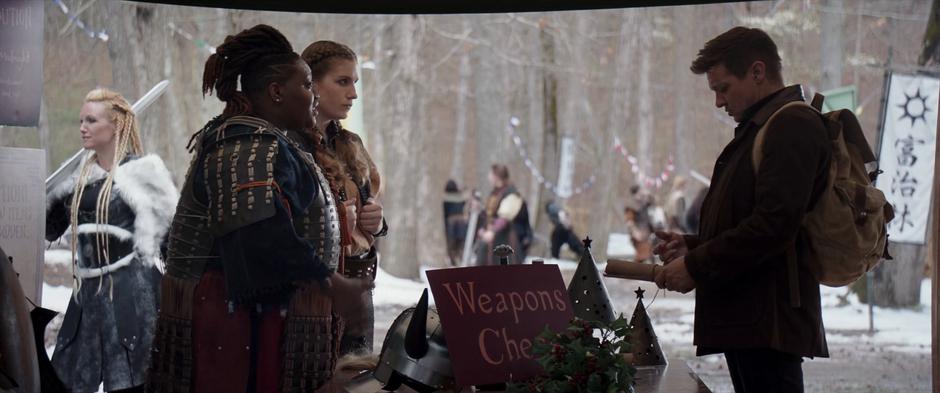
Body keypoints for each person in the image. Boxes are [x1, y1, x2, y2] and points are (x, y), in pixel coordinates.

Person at [147, 25, 371, 392]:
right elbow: (260, 235)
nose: (313, 96)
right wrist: (334, 285)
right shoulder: (245, 143)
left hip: (252, 314)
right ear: (276, 91)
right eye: (305, 86)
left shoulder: (270, 141)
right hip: (231, 321)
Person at [653, 26, 830, 392]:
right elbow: (752, 219)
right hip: (752, 318)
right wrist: (694, 245)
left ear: (757, 72)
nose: (719, 102)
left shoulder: (792, 124)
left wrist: (696, 265)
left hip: (768, 321)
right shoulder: (764, 126)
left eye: (723, 88)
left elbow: (773, 226)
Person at [45, 88, 178, 393]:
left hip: (134, 295)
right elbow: (51, 230)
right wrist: (51, 196)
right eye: (81, 120)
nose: (82, 127)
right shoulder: (79, 181)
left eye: (91, 120)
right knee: (64, 383)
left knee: (132, 381)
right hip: (88, 298)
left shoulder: (146, 174)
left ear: (115, 125)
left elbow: (172, 246)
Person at [301, 40, 386, 355]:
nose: (353, 93)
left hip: (359, 285)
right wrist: (333, 221)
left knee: (357, 378)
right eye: (342, 81)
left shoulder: (350, 143)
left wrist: (375, 220)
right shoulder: (289, 144)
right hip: (313, 293)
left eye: (355, 82)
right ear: (312, 85)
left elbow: (370, 209)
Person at [475, 164, 531, 265]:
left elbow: (505, 217)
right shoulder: (494, 193)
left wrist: (492, 231)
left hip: (505, 238)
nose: (489, 177)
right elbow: (489, 214)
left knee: (504, 268)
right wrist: (482, 228)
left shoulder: (512, 193)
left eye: (490, 174)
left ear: (496, 176)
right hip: (490, 239)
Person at [442, 179, 469, 266]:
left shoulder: (445, 198)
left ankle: (455, 262)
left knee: (451, 246)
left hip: (451, 224)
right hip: (461, 224)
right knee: (460, 245)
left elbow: (445, 214)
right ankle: (459, 261)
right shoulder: (460, 197)